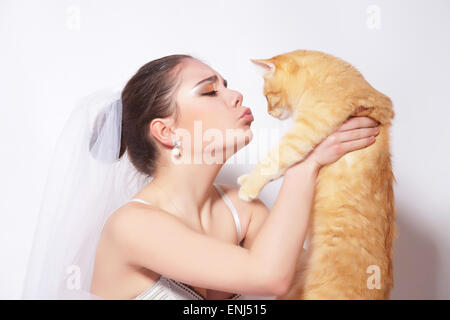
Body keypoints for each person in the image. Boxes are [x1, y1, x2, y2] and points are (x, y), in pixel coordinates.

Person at [22, 54, 380, 300]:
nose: (236, 94)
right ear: (166, 132)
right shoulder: (131, 226)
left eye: (226, 85)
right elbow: (270, 275)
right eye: (210, 91)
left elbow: (321, 283)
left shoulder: (242, 209)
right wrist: (303, 165)